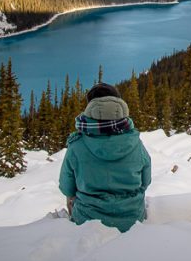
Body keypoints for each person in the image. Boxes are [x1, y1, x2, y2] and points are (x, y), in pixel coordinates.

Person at [58, 82, 152, 232]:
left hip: (87, 222)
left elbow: (66, 187)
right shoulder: (135, 142)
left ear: (90, 107)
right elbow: (146, 181)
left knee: (72, 196)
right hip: (132, 221)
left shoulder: (76, 145)